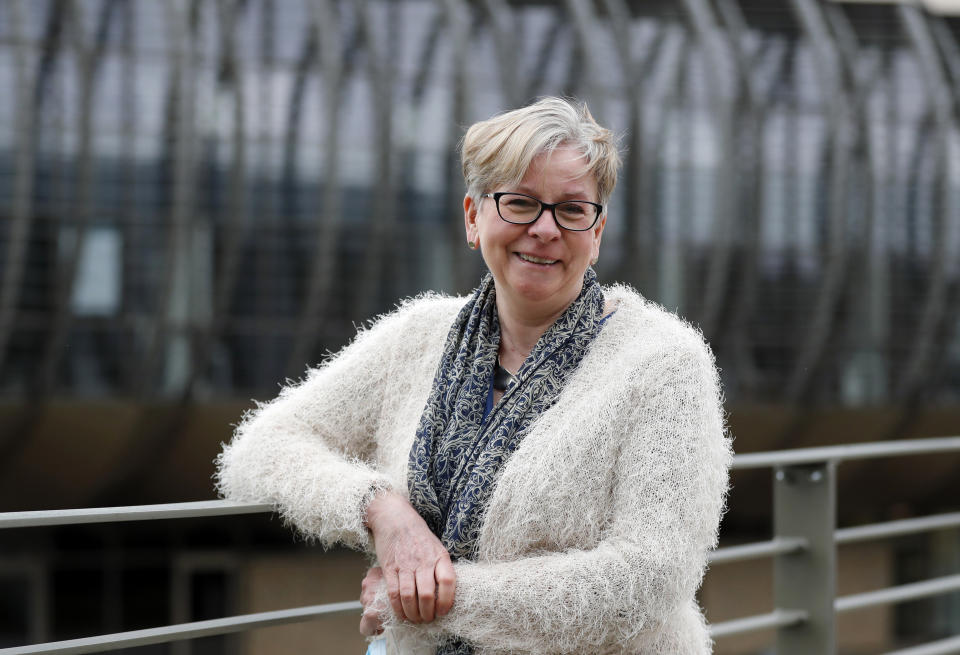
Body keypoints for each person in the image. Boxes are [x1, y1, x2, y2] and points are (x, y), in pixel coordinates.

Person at [216, 97, 731, 654]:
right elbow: (259, 449)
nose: (544, 229)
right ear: (472, 216)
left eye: (572, 210)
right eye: (520, 203)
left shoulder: (664, 361)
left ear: (597, 231)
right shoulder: (418, 337)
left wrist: (430, 598)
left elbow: (649, 575)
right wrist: (384, 513)